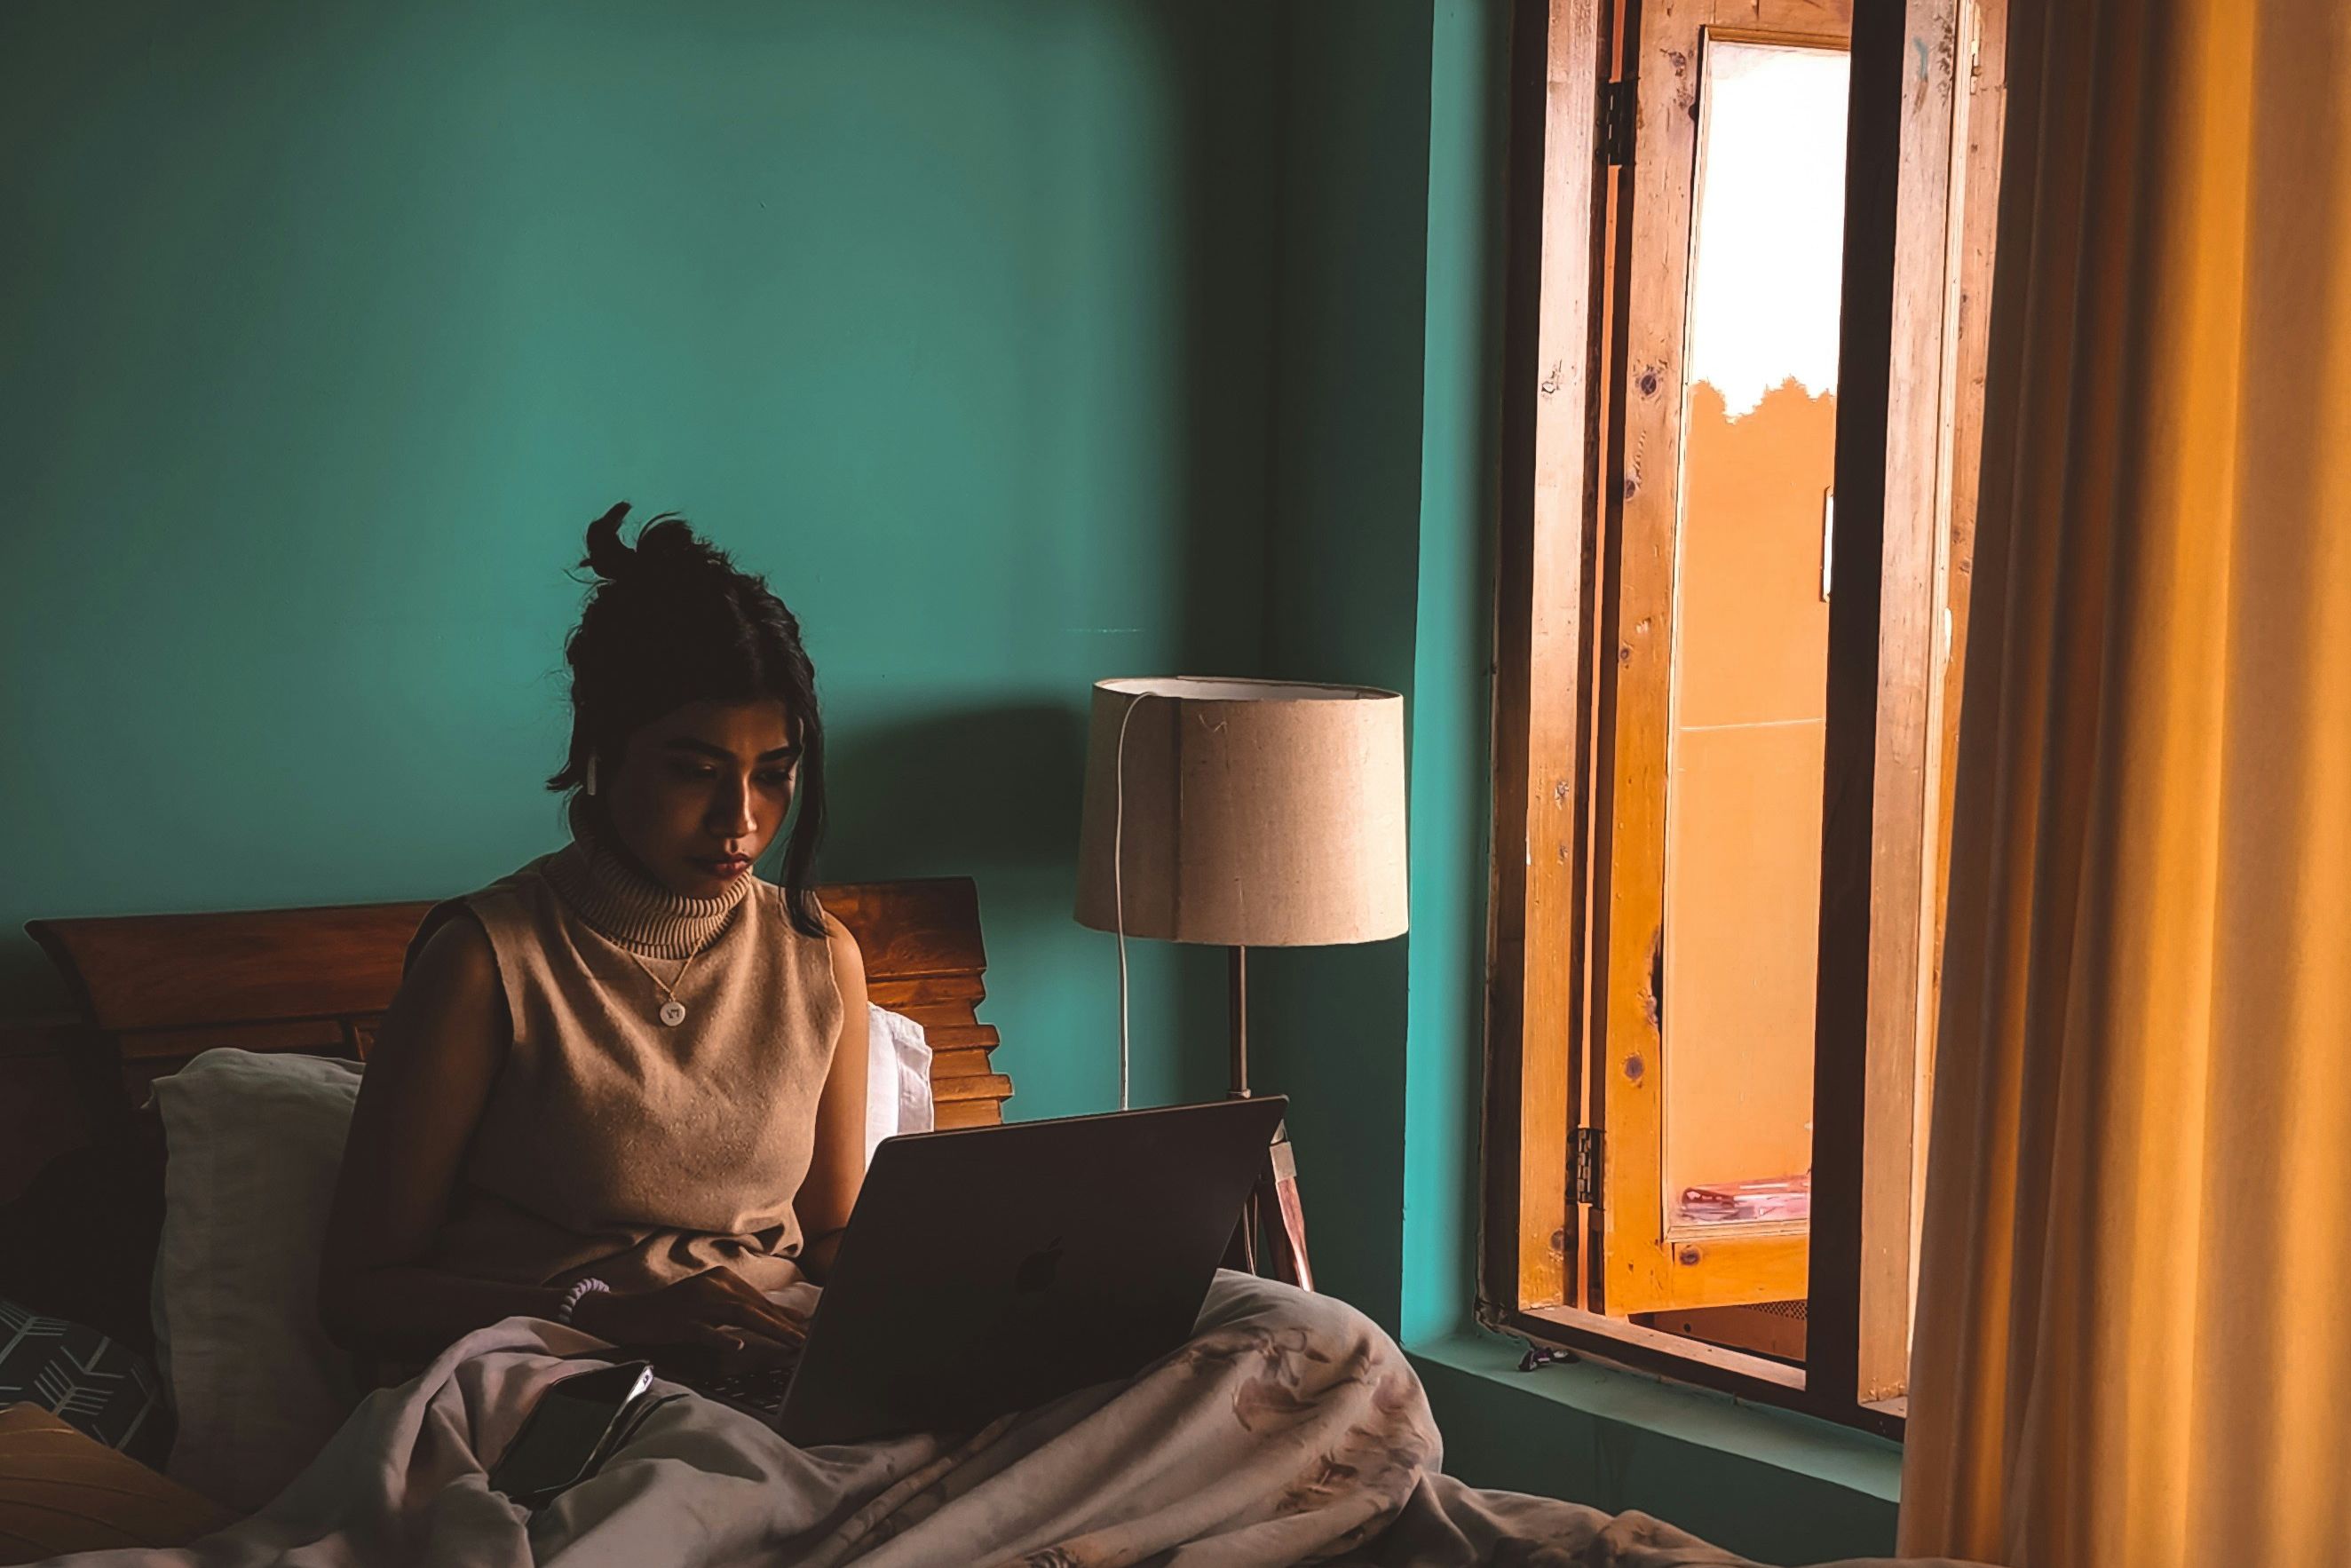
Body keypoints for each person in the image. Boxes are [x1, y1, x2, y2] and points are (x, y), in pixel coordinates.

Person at [319, 503, 864, 1372]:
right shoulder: (486, 960)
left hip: (772, 1357)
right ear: (603, 753)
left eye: (774, 774)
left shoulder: (818, 953)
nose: (740, 819)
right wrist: (612, 1315)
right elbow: (362, 1293)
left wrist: (955, 1289)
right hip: (563, 1367)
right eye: (695, 771)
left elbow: (832, 1235)